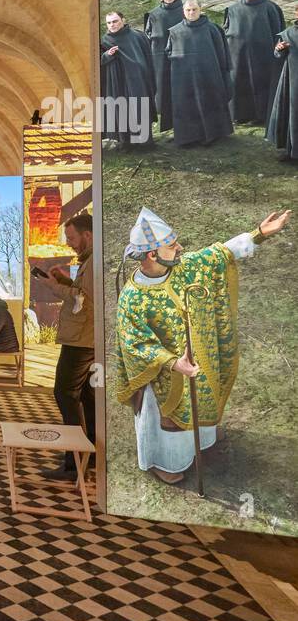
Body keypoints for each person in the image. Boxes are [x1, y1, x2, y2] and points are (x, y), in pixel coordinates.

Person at [111, 206, 290, 484]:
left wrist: (259, 234)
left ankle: (203, 439)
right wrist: (173, 363)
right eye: (172, 245)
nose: (180, 248)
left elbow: (218, 253)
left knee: (203, 398)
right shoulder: (132, 297)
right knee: (169, 420)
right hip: (164, 378)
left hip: (199, 361)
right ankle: (167, 461)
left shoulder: (185, 267)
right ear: (152, 254)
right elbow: (134, 343)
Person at [41, 213, 95, 481]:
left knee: (64, 394)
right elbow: (84, 293)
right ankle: (90, 457)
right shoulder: (90, 260)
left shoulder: (94, 260)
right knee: (87, 398)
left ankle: (74, 464)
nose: (70, 244)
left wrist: (55, 288)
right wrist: (64, 281)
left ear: (87, 234)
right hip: (86, 339)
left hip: (81, 341)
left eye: (72, 238)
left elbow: (82, 301)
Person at [165, 0, 232, 147]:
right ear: (183, 11)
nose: (191, 12)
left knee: (209, 102)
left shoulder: (212, 29)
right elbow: (169, 52)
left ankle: (212, 134)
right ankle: (188, 137)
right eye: (188, 10)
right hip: (185, 78)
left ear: (201, 10)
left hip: (209, 75)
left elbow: (222, 52)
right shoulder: (175, 31)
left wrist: (222, 72)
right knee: (186, 105)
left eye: (194, 9)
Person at [223, 0, 285, 125]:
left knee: (260, 84)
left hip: (262, 56)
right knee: (239, 82)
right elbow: (226, 32)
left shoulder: (271, 8)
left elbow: (278, 33)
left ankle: (260, 116)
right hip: (238, 55)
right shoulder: (232, 9)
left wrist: (277, 52)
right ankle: (239, 115)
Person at [99, 11, 156, 144]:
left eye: (115, 21)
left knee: (140, 107)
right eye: (109, 22)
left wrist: (147, 75)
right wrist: (107, 54)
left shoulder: (138, 36)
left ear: (123, 20)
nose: (112, 25)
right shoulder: (104, 40)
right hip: (117, 81)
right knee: (122, 109)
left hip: (138, 80)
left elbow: (148, 56)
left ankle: (145, 142)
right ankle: (125, 143)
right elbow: (98, 61)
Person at [144, 0, 184, 132]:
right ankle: (167, 121)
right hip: (160, 57)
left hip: (180, 53)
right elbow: (148, 36)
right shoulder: (154, 14)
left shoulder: (185, 10)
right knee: (164, 87)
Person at [266, 5, 298, 160]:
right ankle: (291, 152)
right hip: (292, 79)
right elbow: (278, 54)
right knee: (291, 113)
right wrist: (279, 49)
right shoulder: (288, 33)